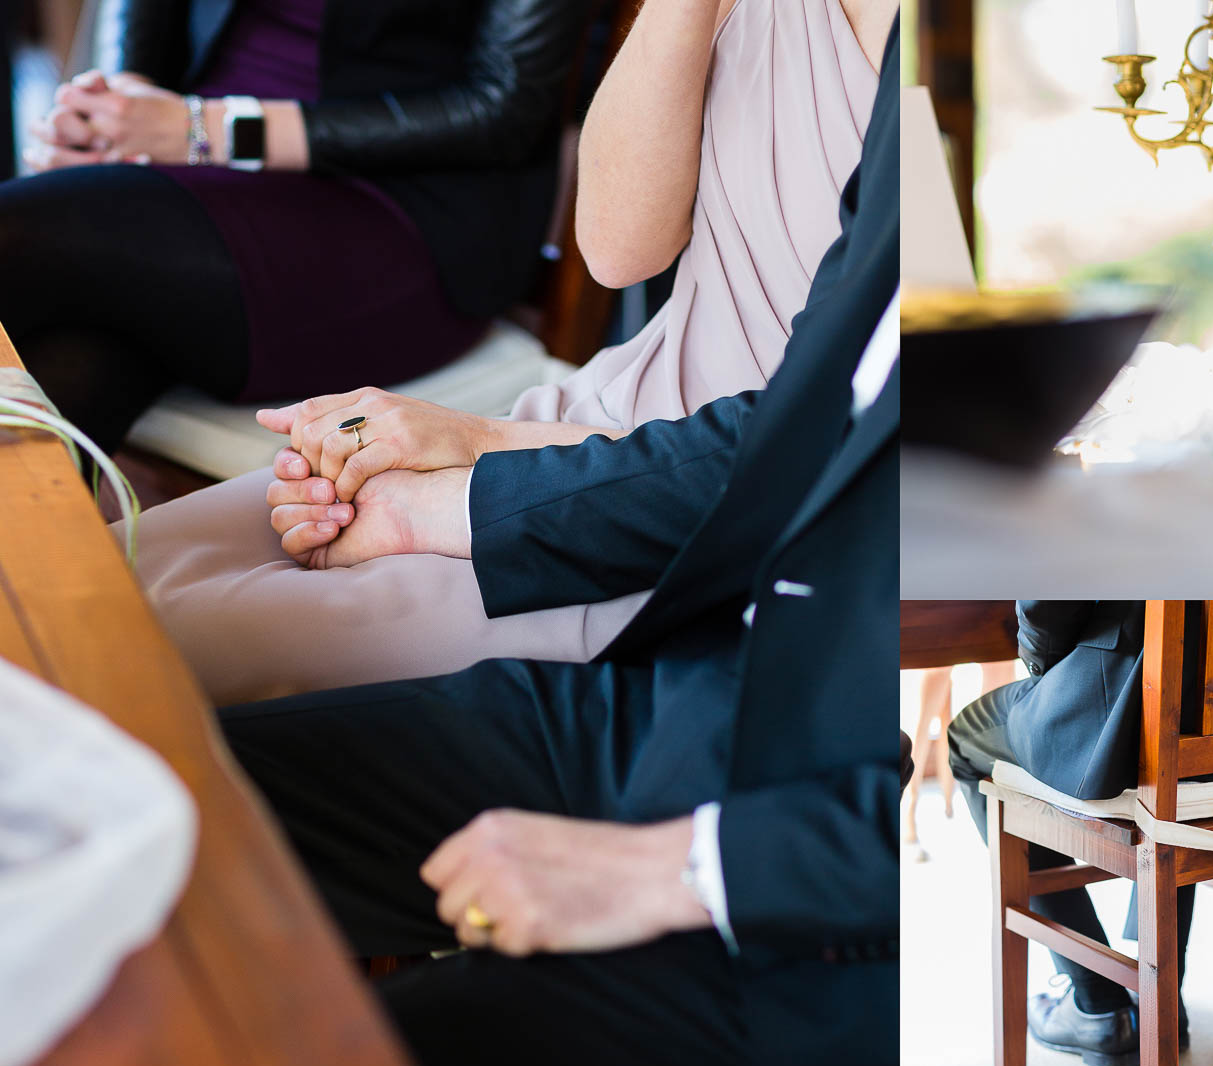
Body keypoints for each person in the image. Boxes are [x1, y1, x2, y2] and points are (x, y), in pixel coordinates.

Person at [217, 19, 898, 1066]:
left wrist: (684, 868)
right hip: (731, 701)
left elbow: (1029, 789)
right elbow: (796, 426)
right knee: (182, 788)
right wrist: (458, 495)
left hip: (845, 917)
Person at [123, 0, 891, 706]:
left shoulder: (968, 53)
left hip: (703, 525)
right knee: (118, 567)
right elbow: (617, 251)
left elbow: (837, 441)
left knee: (151, 647)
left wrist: (476, 453)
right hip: (598, 416)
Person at [6, 0, 592, 453]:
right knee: (60, 384)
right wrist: (123, 102)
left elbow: (504, 107)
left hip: (397, 217)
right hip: (183, 162)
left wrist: (204, 129)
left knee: (16, 236)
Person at [946, 602, 1213, 1066]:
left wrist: (1048, 667)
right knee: (1183, 759)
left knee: (965, 739)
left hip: (1141, 702)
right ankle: (1162, 1003)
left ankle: (1098, 1005)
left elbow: (1048, 602)